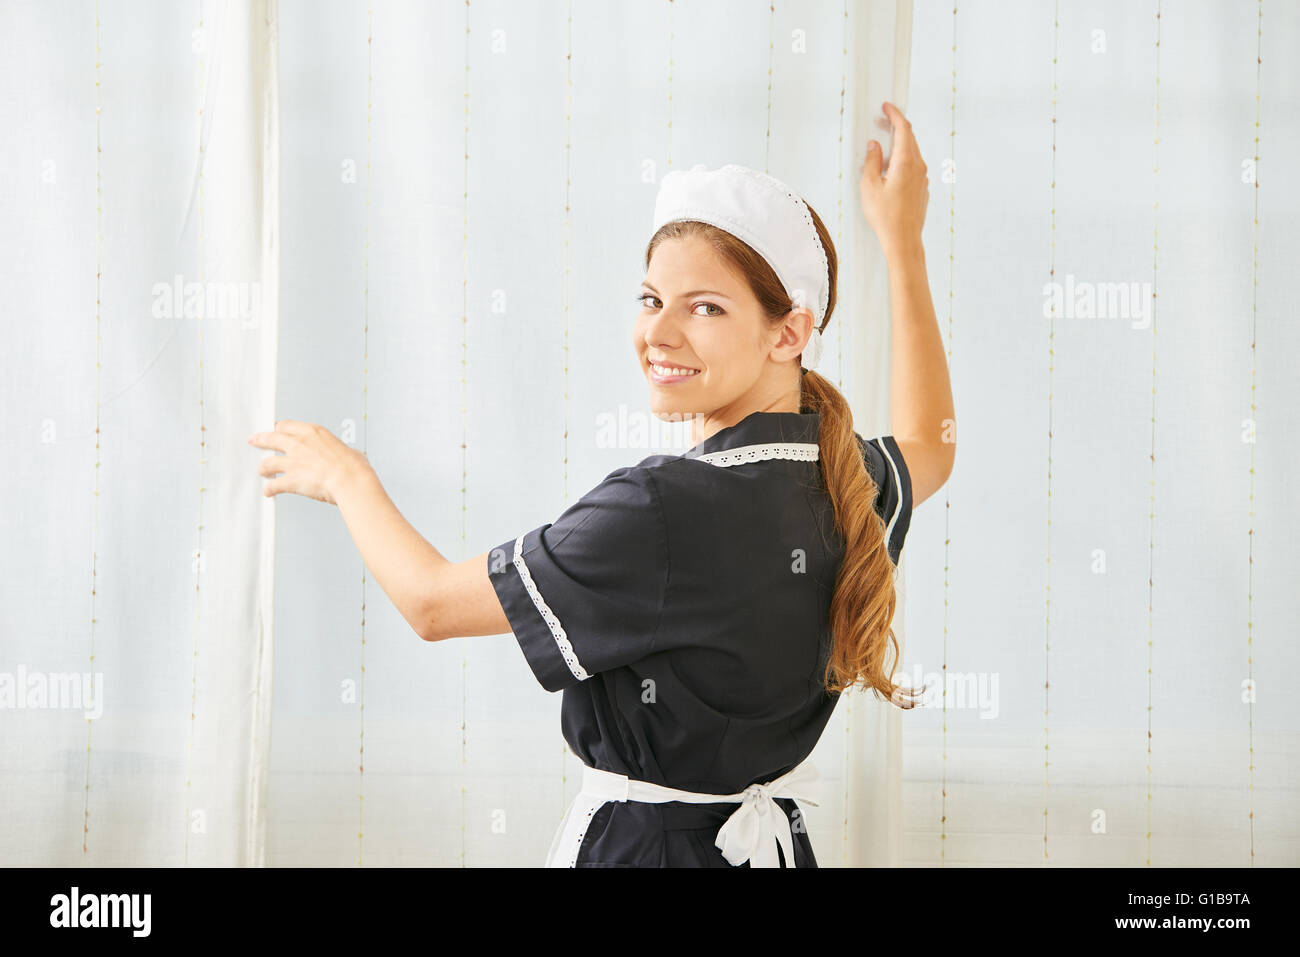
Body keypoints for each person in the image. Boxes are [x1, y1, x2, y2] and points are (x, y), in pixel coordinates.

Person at [248, 101, 955, 868]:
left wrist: (348, 479)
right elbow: (933, 444)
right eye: (651, 299)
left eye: (705, 307)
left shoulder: (662, 508)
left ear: (788, 332)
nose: (658, 332)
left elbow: (431, 604)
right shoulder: (846, 477)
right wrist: (902, 241)